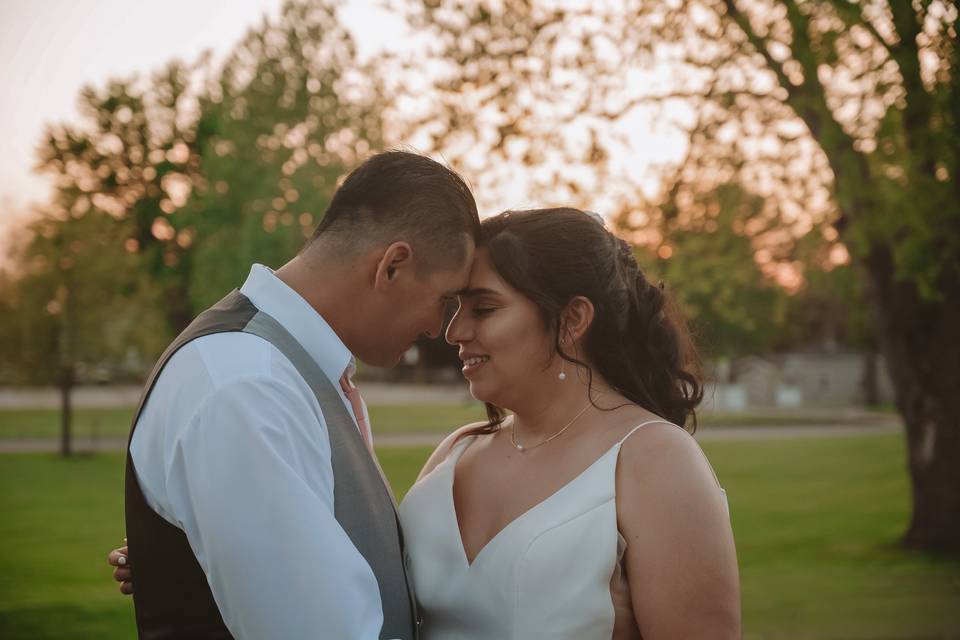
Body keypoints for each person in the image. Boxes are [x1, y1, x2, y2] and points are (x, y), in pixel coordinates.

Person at [111, 207, 741, 638]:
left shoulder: (654, 462)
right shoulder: (456, 454)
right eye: (454, 308)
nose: (454, 332)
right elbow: (362, 585)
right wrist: (216, 543)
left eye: (484, 309)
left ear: (572, 320)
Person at [113, 150, 479, 639]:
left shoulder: (291, 371)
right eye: (444, 300)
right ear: (392, 267)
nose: (440, 327)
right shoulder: (246, 385)